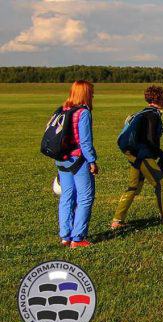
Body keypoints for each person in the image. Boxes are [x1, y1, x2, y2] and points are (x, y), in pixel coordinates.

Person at [111, 86, 163, 229]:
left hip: (132, 153)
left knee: (133, 186)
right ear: (157, 99)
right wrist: (161, 155)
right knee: (161, 183)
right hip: (142, 154)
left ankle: (117, 220)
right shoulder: (153, 115)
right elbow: (150, 140)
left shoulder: (142, 112)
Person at [54, 80, 99, 248]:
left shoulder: (63, 109)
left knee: (67, 196)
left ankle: (65, 236)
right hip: (78, 160)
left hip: (61, 159)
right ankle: (78, 238)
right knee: (85, 197)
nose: (93, 95)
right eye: (91, 92)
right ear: (85, 93)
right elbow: (85, 142)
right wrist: (92, 161)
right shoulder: (83, 113)